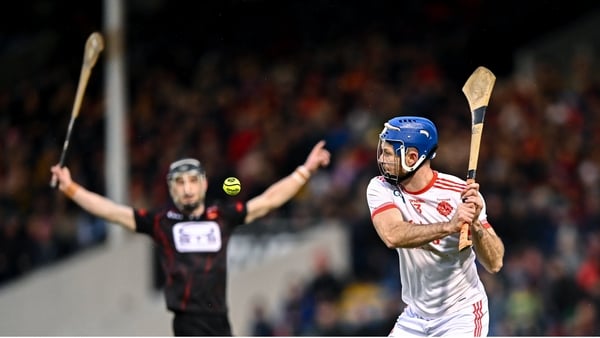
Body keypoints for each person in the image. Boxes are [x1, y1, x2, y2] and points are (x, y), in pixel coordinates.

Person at [50, 140, 331, 336]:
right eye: (179, 183)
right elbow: (112, 212)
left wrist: (305, 169)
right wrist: (72, 188)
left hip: (220, 322)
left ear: (205, 183)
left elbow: (268, 201)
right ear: (170, 189)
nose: (186, 189)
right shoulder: (161, 222)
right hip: (187, 325)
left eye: (192, 181)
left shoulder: (221, 215)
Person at [365, 116, 504, 337]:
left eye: (388, 154)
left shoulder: (459, 194)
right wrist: (450, 226)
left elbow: (495, 262)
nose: (382, 159)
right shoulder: (380, 187)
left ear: (412, 157)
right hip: (415, 316)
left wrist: (476, 223)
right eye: (382, 152)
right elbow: (392, 235)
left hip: (461, 314)